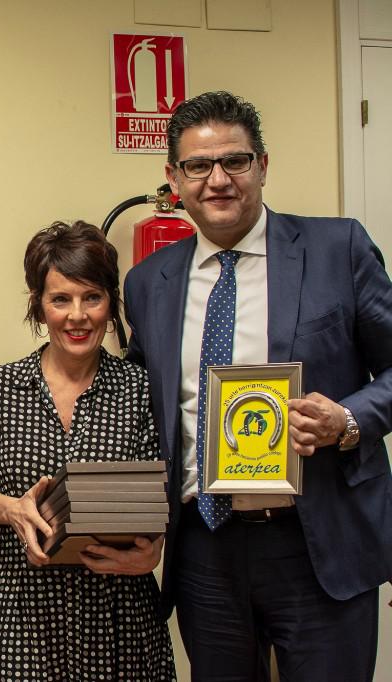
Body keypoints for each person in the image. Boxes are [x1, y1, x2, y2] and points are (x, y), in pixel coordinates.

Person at [124, 91, 392, 681]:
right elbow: (146, 412)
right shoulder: (148, 282)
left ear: (262, 166)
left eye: (235, 161)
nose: (218, 180)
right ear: (174, 178)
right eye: (198, 165)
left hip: (318, 541)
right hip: (205, 550)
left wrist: (347, 421)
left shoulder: (338, 249)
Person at [0, 221, 176, 681]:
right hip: (19, 617)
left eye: (92, 297)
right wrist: (12, 509)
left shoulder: (141, 390)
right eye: (61, 299)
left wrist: (153, 551)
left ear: (111, 304)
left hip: (119, 617)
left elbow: (164, 493)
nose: (78, 316)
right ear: (39, 305)